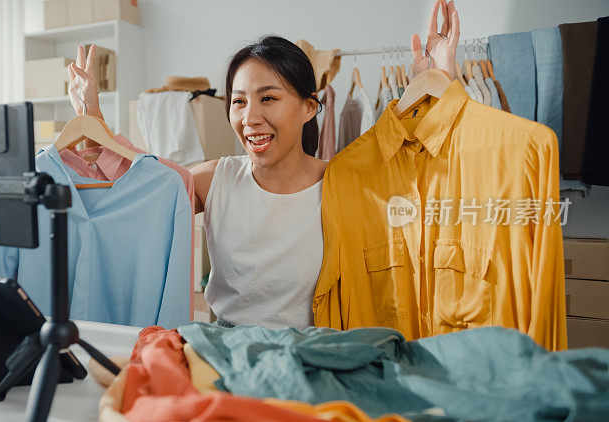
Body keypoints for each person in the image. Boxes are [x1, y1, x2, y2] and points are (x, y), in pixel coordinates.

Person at [67, 0, 460, 329]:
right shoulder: (215, 179)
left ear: (309, 107)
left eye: (268, 98)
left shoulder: (341, 182)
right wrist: (92, 115)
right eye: (238, 101)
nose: (249, 117)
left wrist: (441, 79)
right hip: (225, 354)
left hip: (310, 360)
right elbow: (137, 183)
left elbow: (422, 162)